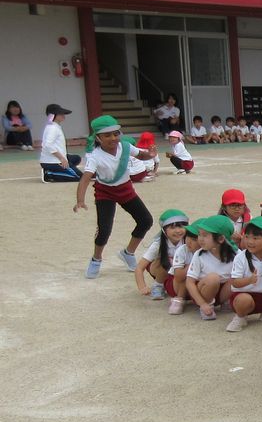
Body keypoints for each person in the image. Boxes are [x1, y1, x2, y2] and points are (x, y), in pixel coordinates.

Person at [74, 115, 156, 279]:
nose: (113, 138)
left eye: (115, 133)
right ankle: (96, 259)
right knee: (104, 229)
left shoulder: (125, 147)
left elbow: (140, 155)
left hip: (125, 189)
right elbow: (85, 178)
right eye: (107, 135)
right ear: (98, 138)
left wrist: (150, 154)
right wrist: (80, 200)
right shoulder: (95, 156)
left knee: (146, 220)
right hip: (105, 192)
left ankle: (128, 253)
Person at [185, 215, 238, 320]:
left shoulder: (237, 254)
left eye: (205, 235)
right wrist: (202, 303)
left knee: (238, 276)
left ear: (221, 238)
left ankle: (226, 302)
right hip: (204, 292)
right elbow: (189, 282)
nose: (200, 239)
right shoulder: (199, 255)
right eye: (199, 234)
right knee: (213, 278)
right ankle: (207, 306)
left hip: (223, 293)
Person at [134, 209, 189, 300]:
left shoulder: (188, 241)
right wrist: (142, 287)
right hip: (160, 268)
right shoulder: (158, 244)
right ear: (163, 230)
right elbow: (139, 268)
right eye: (172, 227)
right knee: (163, 261)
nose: (178, 231)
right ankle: (158, 285)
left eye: (181, 226)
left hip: (177, 270)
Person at [39, 104, 81, 182]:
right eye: (60, 113)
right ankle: (49, 174)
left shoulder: (54, 126)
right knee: (79, 177)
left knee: (76, 158)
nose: (63, 115)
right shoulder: (53, 128)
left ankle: (62, 169)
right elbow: (48, 145)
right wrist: (61, 158)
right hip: (52, 161)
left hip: (54, 159)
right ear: (53, 115)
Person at [166, 222, 200, 315]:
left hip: (195, 285)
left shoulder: (207, 252)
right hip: (175, 285)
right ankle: (179, 299)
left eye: (194, 239)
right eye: (188, 237)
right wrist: (193, 265)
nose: (188, 241)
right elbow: (178, 276)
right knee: (186, 272)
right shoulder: (182, 250)